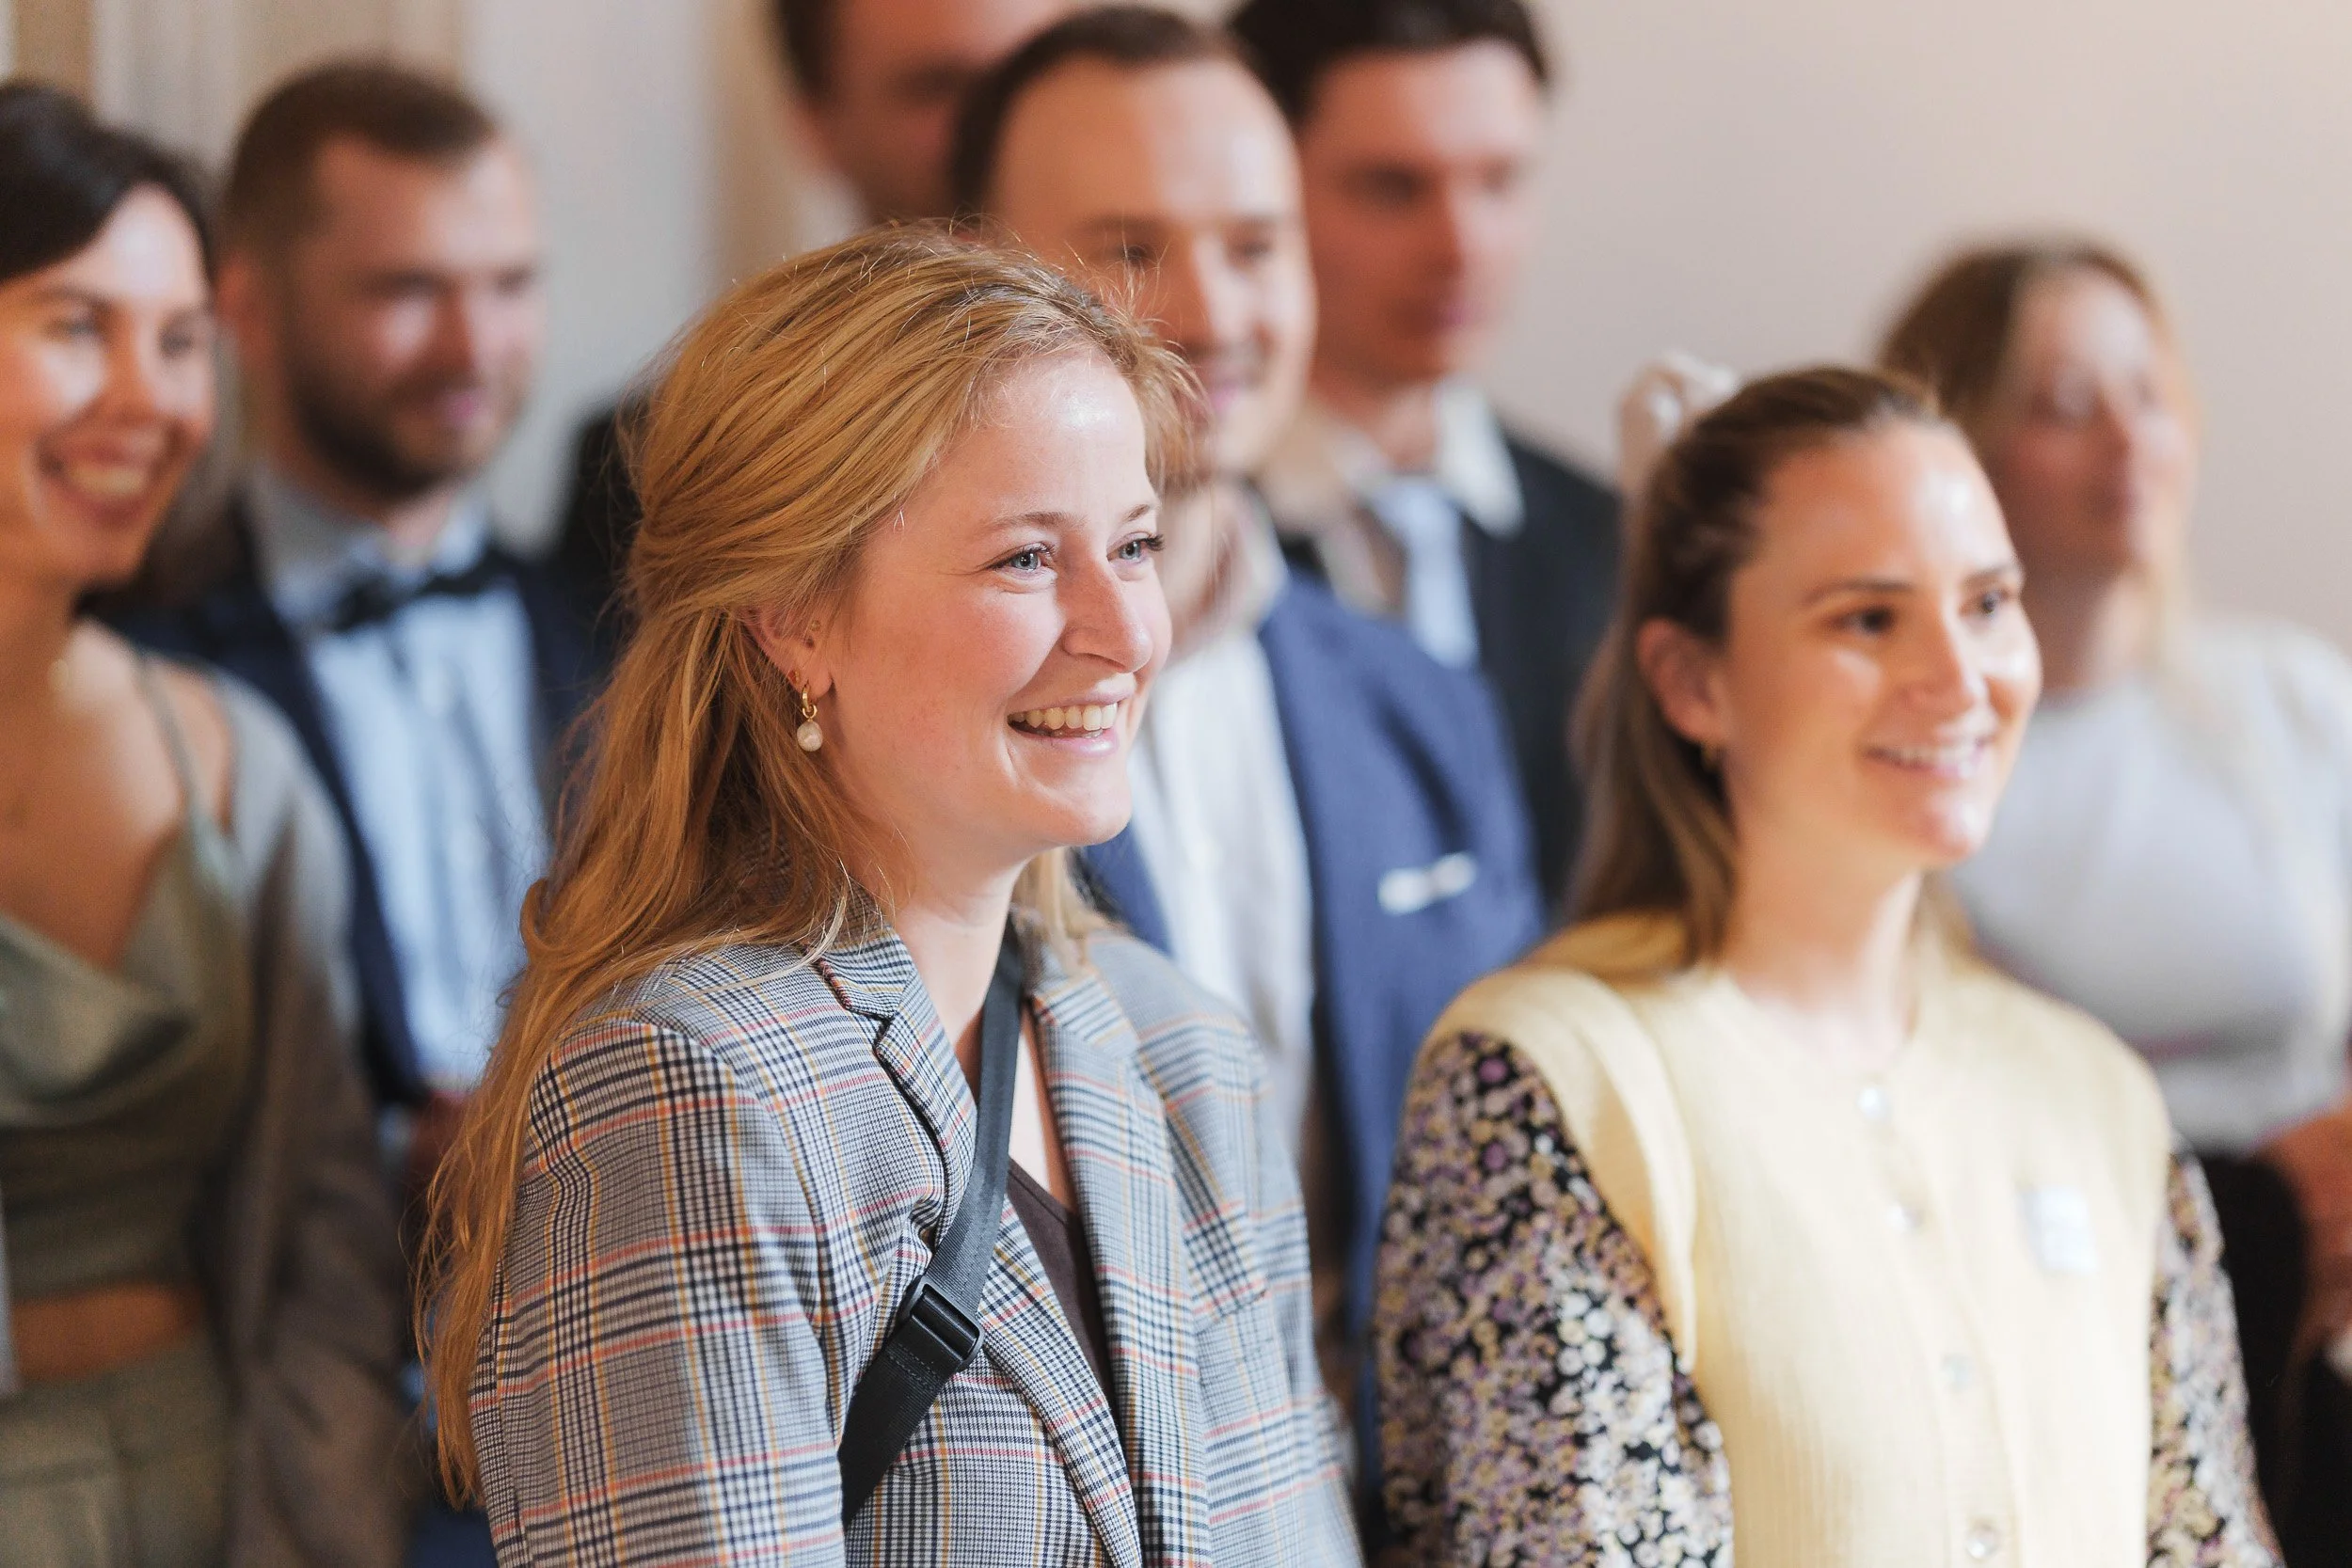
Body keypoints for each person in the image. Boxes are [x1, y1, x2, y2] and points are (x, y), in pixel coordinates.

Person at [422, 229, 1359, 1563]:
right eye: (1029, 558)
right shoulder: (686, 1087)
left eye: (1135, 543)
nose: (1123, 627)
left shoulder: (1181, 1048)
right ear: (796, 614)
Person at [1373, 367, 2280, 1566]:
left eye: (1987, 603)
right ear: (1692, 680)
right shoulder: (1549, 1083)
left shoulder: (2094, 1093)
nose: (1958, 680)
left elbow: (2204, 1536)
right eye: (1867, 617)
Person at [948, 2, 1545, 1485]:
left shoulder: (1418, 700)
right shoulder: (893, 714)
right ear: (969, 266)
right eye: (1133, 247)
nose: (1214, 307)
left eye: (1259, 242)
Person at [1884, 242, 2352, 1562]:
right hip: (2052, 1324)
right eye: (2063, 402)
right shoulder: (1920, 756)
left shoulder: (2290, 705)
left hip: (2320, 1338)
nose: (2128, 440)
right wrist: (2262, 1213)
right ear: (1956, 448)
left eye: (2150, 393)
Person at [0, 82, 405, 1564]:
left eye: (180, 342)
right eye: (76, 325)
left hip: (204, 1489)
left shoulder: (237, 758)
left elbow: (323, 1238)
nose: (152, 397)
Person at [119, 62, 597, 1145]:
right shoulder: (144, 656)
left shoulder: (618, 626)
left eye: (510, 283)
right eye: (408, 291)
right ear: (244, 305)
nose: (474, 347)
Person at [1229, 0, 1619, 909]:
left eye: (1499, 181)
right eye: (1393, 188)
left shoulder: (1609, 537)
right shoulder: (1158, 538)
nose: (1462, 246)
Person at [550, 0, 1082, 624]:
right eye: (940, 88)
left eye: (1035, 76)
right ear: (815, 124)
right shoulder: (655, 462)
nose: (1005, 126)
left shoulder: (1195, 397)